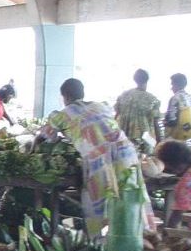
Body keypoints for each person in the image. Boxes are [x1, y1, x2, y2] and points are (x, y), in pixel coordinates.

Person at [44, 78, 141, 234]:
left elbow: (48, 136)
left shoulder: (62, 115)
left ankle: (98, 244)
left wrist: (40, 139)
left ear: (66, 96)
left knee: (98, 205)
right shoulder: (101, 106)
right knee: (127, 199)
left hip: (99, 159)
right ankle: (131, 237)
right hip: (127, 153)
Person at [114, 69, 161, 151]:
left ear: (134, 79)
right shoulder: (152, 100)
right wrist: (160, 142)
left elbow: (116, 117)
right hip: (145, 139)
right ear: (147, 79)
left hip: (123, 138)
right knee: (146, 159)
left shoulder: (123, 95)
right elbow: (155, 124)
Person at [163, 74, 191, 143]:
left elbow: (171, 120)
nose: (171, 88)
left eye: (172, 85)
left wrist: (165, 122)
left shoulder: (175, 99)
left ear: (176, 85)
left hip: (177, 139)